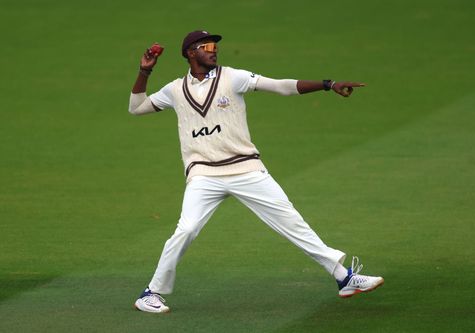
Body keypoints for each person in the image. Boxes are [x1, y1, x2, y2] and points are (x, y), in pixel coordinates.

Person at [128, 30, 384, 313]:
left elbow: (280, 86)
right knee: (186, 229)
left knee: (291, 221)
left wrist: (328, 84)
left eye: (215, 46)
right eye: (207, 46)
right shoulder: (175, 90)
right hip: (204, 175)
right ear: (191, 53)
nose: (214, 50)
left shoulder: (233, 77)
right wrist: (144, 71)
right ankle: (150, 293)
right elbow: (137, 107)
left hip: (245, 169)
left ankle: (344, 277)